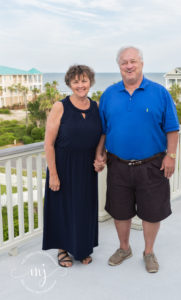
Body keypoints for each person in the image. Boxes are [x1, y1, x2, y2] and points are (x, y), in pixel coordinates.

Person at [94, 46, 179, 273]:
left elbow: (172, 128)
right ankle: (124, 248)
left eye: (133, 61)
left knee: (152, 211)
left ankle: (148, 251)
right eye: (124, 62)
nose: (129, 66)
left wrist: (170, 156)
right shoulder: (109, 95)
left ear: (141, 63)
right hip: (118, 164)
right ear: (119, 66)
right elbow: (103, 130)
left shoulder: (160, 93)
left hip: (152, 164)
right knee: (120, 211)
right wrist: (99, 154)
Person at [42, 65, 103, 267]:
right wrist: (53, 175)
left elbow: (102, 134)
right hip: (63, 166)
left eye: (84, 80)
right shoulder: (60, 107)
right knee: (63, 209)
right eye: (76, 81)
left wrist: (98, 157)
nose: (80, 85)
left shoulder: (95, 106)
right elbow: (49, 143)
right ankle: (62, 249)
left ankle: (82, 248)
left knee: (84, 208)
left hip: (86, 167)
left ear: (90, 82)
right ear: (69, 84)